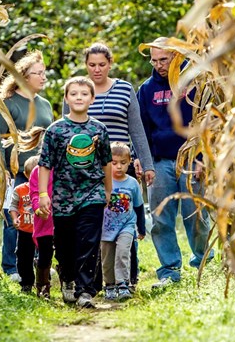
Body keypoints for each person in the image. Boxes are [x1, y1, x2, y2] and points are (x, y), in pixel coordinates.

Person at [62, 42, 155, 289]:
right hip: (87, 168)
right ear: (86, 66)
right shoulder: (78, 90)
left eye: (102, 64)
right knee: (94, 224)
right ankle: (96, 278)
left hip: (121, 165)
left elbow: (137, 129)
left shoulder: (124, 89)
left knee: (125, 219)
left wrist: (146, 164)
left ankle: (128, 278)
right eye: (91, 65)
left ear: (110, 63)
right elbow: (66, 128)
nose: (97, 70)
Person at [137, 37, 213, 289]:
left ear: (176, 58)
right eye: (154, 60)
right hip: (160, 162)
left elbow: (206, 123)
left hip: (192, 158)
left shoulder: (194, 84)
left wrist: (203, 158)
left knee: (196, 213)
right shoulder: (146, 90)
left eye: (164, 59)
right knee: (161, 218)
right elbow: (142, 130)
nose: (159, 65)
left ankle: (204, 259)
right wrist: (144, 161)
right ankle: (169, 269)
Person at [37, 76, 112, 308]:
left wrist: (107, 191)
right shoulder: (55, 130)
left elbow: (106, 162)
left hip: (92, 193)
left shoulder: (99, 129)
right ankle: (68, 278)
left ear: (92, 98)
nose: (79, 97)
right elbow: (45, 164)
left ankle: (84, 291)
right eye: (74, 93)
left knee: (88, 242)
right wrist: (42, 194)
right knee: (65, 243)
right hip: (63, 196)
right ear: (66, 98)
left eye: (84, 93)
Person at [0, 50, 53, 282]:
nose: (43, 78)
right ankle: (12, 267)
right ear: (24, 77)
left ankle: (40, 262)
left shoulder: (45, 104)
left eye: (43, 73)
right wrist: (3, 170)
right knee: (15, 218)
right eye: (38, 73)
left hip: (43, 171)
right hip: (16, 172)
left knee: (41, 216)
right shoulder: (7, 104)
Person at [101, 142, 146, 301]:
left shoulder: (132, 183)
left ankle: (123, 284)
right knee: (107, 258)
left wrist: (141, 228)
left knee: (123, 253)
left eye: (123, 163)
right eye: (114, 163)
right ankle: (110, 285)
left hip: (127, 226)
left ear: (130, 162)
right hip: (106, 227)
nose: (118, 167)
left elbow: (139, 207)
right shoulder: (103, 182)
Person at [26, 128, 55, 299]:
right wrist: (38, 209)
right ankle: (43, 287)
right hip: (44, 220)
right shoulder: (37, 171)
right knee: (45, 254)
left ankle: (68, 281)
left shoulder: (64, 169)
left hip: (63, 219)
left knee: (65, 252)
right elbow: (34, 193)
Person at [9, 156, 39, 293]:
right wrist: (15, 219)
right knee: (23, 257)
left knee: (43, 257)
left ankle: (43, 283)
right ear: (26, 175)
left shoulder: (47, 191)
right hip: (25, 230)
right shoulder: (20, 190)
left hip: (41, 230)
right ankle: (26, 282)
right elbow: (13, 207)